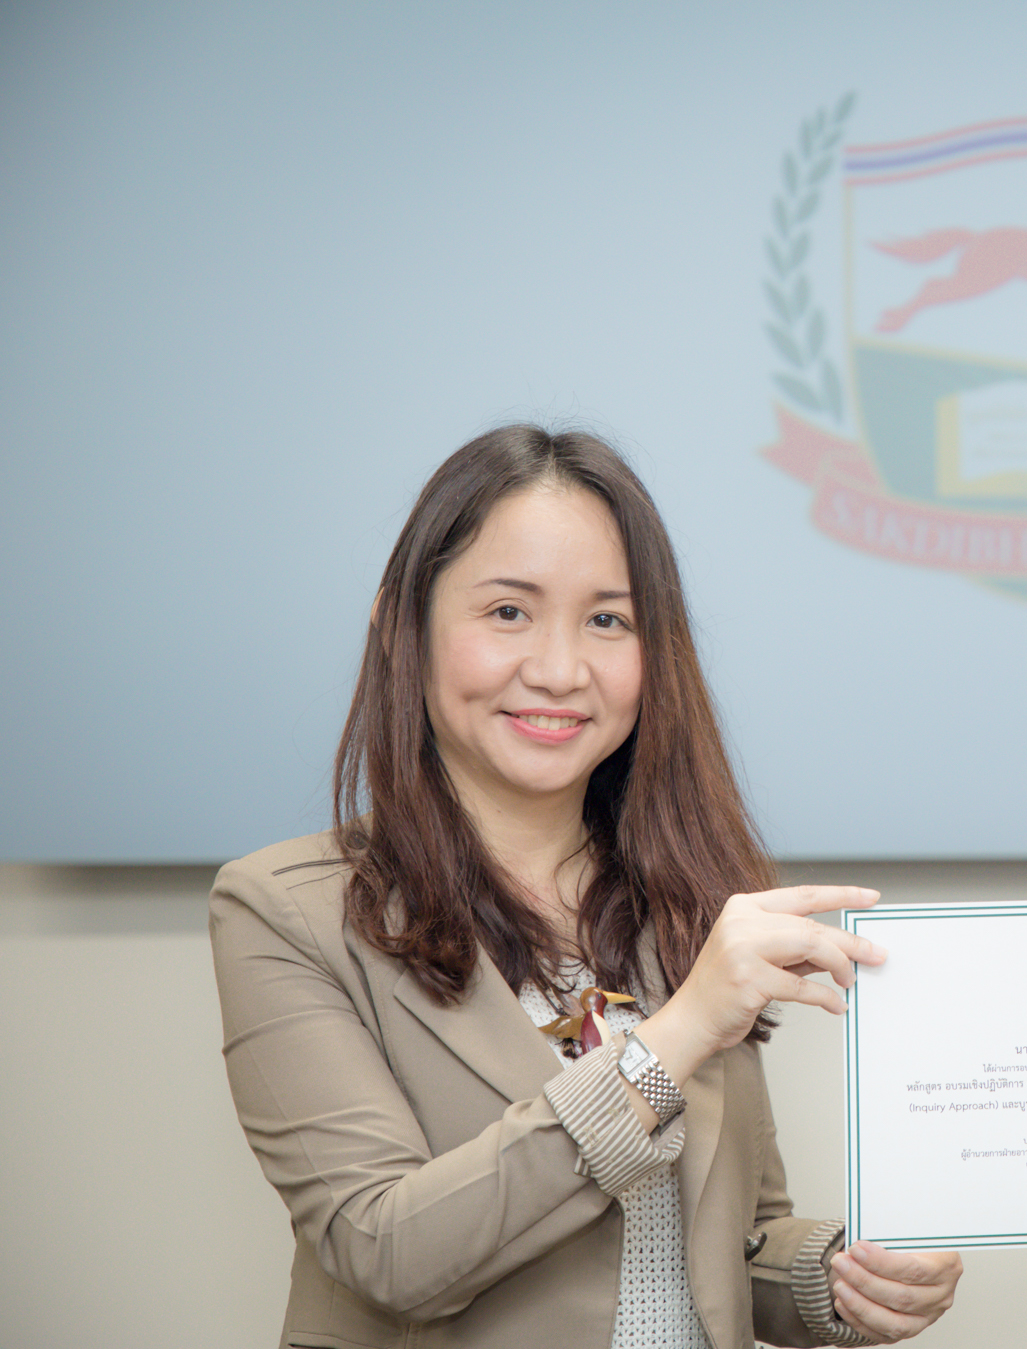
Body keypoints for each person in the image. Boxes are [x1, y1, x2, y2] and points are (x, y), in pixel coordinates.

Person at [211, 425, 963, 1349]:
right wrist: (676, 1035)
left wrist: (839, 1280)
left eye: (609, 621)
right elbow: (385, 1251)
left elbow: (736, 1238)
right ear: (399, 627)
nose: (561, 671)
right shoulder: (284, 909)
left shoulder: (681, 898)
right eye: (508, 612)